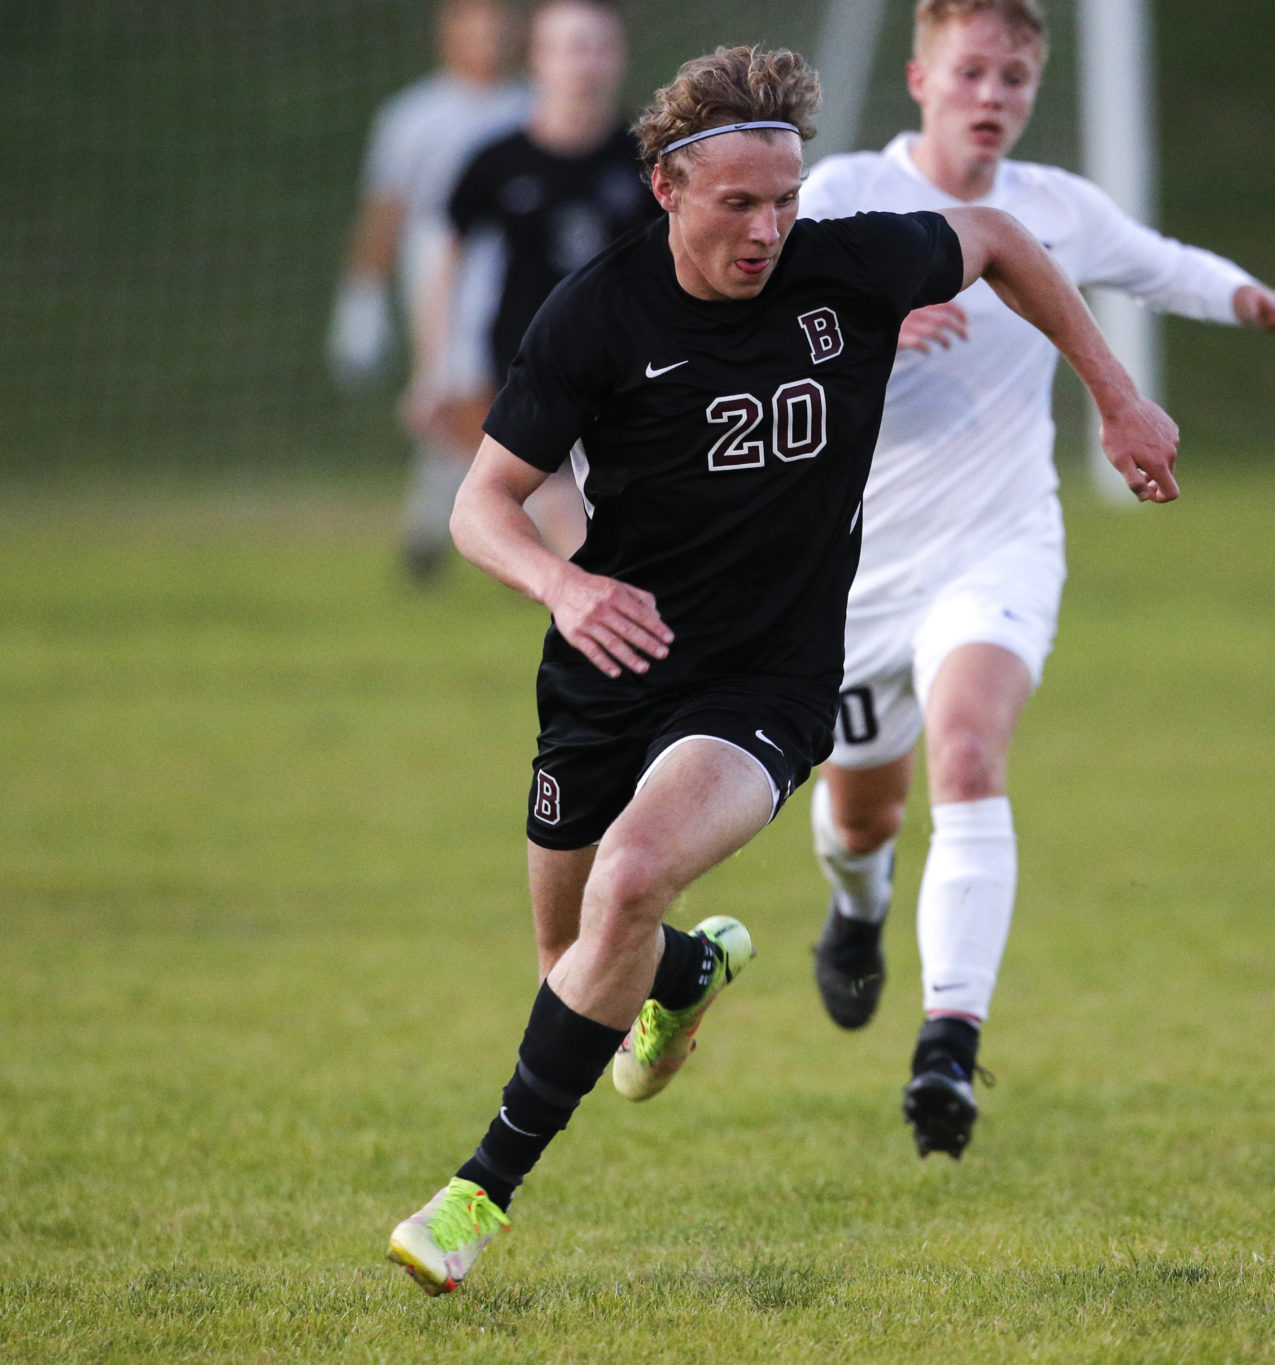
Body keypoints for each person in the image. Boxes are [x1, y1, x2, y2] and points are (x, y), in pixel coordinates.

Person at [384, 43, 1181, 1296]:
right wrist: (565, 583)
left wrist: (1116, 398)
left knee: (631, 879)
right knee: (575, 965)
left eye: (786, 198)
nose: (768, 229)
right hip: (609, 666)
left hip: (767, 682)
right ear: (667, 189)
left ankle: (474, 1196)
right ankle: (690, 973)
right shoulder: (594, 314)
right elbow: (484, 505)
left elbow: (1006, 239)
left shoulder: (848, 266)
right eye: (738, 203)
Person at [796, 0, 1275, 1160]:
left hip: (996, 545)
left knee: (966, 752)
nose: (991, 95)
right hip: (851, 572)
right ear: (919, 77)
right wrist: (861, 323)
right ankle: (857, 913)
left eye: (1013, 76)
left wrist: (1265, 304)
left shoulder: (1054, 209)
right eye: (970, 72)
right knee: (863, 815)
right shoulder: (842, 193)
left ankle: (948, 1042)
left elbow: (1166, 269)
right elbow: (748, 299)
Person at [404, 0, 663, 573]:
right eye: (571, 47)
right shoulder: (496, 160)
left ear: (618, 58)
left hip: (631, 362)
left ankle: (615, 601)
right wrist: (434, 368)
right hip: (526, 362)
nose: (585, 64)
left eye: (599, 47)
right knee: (554, 493)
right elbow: (443, 256)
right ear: (538, 59)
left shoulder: (648, 160)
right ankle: (600, 603)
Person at [327, 0, 529, 581]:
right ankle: (485, 528)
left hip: (517, 273)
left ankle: (435, 529)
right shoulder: (415, 115)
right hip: (441, 276)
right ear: (449, 32)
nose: (488, 36)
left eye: (499, 23)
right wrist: (360, 298)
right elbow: (386, 212)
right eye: (475, 23)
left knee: (495, 397)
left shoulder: (530, 106)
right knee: (457, 396)